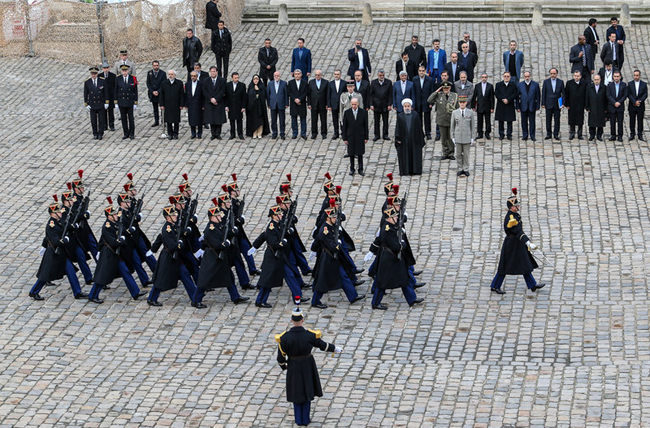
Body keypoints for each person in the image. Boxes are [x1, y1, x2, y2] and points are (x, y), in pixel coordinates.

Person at [276, 306, 342, 426]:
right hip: (307, 364)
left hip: (293, 365)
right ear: (302, 320)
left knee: (296, 391)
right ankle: (305, 419)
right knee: (307, 390)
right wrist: (335, 348)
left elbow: (280, 359)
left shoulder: (284, 338)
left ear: (291, 320)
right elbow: (322, 345)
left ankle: (298, 420)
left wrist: (285, 367)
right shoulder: (309, 335)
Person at [87, 197, 146, 304]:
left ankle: (135, 292)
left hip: (116, 254)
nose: (116, 216)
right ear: (109, 216)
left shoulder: (116, 223)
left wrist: (129, 231)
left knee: (125, 271)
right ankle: (93, 295)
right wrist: (122, 240)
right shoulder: (107, 227)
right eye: (113, 215)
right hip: (109, 254)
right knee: (102, 276)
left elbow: (122, 231)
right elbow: (113, 242)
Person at [29, 197, 88, 301]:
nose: (60, 213)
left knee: (71, 271)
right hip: (53, 254)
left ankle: (77, 292)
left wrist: (74, 226)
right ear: (52, 214)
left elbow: (68, 226)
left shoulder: (59, 220)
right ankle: (34, 291)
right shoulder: (50, 226)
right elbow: (56, 241)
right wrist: (64, 240)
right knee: (45, 275)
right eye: (58, 212)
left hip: (62, 254)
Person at [366, 204, 423, 310]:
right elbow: (395, 246)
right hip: (389, 258)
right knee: (382, 282)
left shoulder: (392, 226)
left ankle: (411, 299)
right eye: (395, 216)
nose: (397, 217)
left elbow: (379, 240)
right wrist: (402, 243)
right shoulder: (387, 230)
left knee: (404, 278)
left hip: (394, 258)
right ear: (389, 218)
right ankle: (375, 303)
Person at [490, 188, 546, 295]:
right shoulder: (511, 218)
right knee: (504, 267)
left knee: (524, 264)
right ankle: (495, 286)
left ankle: (532, 285)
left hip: (517, 244)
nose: (518, 207)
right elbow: (518, 231)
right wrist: (528, 242)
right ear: (511, 207)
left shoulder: (515, 215)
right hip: (511, 245)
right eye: (516, 206)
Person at [310, 201, 365, 308]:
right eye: (333, 217)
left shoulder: (332, 226)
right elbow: (331, 246)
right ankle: (315, 301)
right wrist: (338, 244)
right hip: (328, 258)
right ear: (327, 218)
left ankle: (352, 296)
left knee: (343, 275)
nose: (335, 219)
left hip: (334, 257)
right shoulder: (324, 230)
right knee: (322, 280)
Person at [147, 201, 202, 307]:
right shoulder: (166, 229)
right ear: (168, 218)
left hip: (176, 257)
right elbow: (171, 245)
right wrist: (179, 244)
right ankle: (151, 298)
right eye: (173, 215)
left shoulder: (173, 225)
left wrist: (185, 232)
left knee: (185, 275)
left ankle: (195, 298)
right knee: (160, 279)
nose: (176, 216)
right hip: (168, 257)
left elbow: (179, 232)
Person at [251, 202, 306, 308]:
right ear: (273, 216)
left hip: (281, 256)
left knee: (290, 275)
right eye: (279, 214)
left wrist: (288, 233)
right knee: (268, 280)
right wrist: (282, 243)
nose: (281, 215)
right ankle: (260, 300)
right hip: (273, 256)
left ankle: (297, 296)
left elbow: (282, 233)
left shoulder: (280, 224)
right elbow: (274, 243)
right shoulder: (271, 227)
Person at [194, 204, 250, 306]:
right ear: (212, 217)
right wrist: (226, 244)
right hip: (212, 257)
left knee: (229, 277)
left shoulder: (218, 225)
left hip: (220, 258)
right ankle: (196, 300)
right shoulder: (210, 229)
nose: (220, 217)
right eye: (218, 216)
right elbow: (217, 244)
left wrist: (232, 231)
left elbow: (224, 232)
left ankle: (235, 297)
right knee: (205, 280)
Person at [394, 98, 425, 175]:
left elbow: (419, 127)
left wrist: (421, 138)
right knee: (405, 155)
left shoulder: (415, 115)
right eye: (405, 106)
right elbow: (397, 128)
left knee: (415, 155)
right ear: (403, 107)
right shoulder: (400, 116)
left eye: (408, 106)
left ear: (411, 106)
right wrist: (398, 139)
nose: (407, 108)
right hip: (405, 140)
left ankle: (415, 170)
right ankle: (405, 170)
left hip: (414, 139)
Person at [428, 81, 458, 159]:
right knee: (444, 138)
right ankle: (445, 152)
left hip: (451, 120)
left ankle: (451, 153)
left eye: (447, 88)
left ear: (450, 88)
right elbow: (429, 100)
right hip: (441, 120)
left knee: (451, 138)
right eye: (444, 88)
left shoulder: (454, 96)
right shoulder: (438, 95)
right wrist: (436, 91)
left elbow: (457, 107)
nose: (446, 89)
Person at [342, 98, 369, 176]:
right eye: (352, 104)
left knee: (360, 153)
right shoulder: (347, 113)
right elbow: (344, 126)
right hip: (350, 136)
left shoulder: (363, 112)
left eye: (355, 104)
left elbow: (365, 126)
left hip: (360, 135)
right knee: (351, 153)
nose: (354, 106)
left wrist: (366, 137)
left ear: (358, 104)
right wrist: (345, 138)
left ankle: (360, 169)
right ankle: (352, 169)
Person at [450, 96, 474, 177]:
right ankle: (460, 168)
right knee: (458, 154)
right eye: (461, 103)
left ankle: (466, 168)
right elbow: (452, 125)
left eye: (463, 102)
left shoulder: (470, 113)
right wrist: (452, 136)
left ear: (466, 103)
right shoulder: (455, 113)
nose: (462, 104)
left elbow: (472, 126)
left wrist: (472, 137)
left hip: (467, 136)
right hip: (458, 136)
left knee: (466, 154)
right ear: (459, 103)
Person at [159, 69, 185, 140]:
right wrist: (161, 104)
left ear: (175, 75)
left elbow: (181, 95)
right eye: (169, 74)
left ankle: (176, 133)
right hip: (167, 104)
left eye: (172, 74)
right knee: (168, 120)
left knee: (176, 120)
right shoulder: (164, 83)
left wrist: (181, 104)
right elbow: (161, 94)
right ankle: (170, 133)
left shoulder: (179, 83)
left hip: (176, 104)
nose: (170, 76)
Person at [83, 66, 108, 140]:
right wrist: (86, 103)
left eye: (95, 74)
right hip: (92, 103)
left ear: (97, 74)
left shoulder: (102, 81)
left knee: (101, 119)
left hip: (100, 103)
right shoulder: (87, 82)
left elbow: (106, 92)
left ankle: (100, 133)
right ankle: (95, 133)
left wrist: (106, 102)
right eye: (92, 74)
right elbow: (85, 93)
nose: (93, 75)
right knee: (93, 120)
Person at [203, 65, 227, 140]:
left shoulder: (222, 80)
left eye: (214, 71)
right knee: (211, 119)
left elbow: (222, 91)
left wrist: (216, 99)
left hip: (219, 102)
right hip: (210, 102)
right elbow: (205, 91)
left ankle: (218, 133)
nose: (212, 73)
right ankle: (213, 134)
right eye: (211, 71)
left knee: (218, 119)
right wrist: (211, 99)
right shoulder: (206, 80)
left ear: (216, 72)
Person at [516, 71, 541, 141]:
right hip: (523, 106)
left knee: (532, 121)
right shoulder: (520, 85)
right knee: (524, 122)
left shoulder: (535, 84)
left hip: (532, 105)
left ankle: (532, 135)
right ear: (524, 77)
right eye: (525, 76)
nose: (527, 78)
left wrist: (537, 106)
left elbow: (538, 96)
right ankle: (525, 135)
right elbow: (517, 97)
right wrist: (517, 107)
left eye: (528, 76)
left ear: (530, 76)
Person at [115, 64, 138, 140]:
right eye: (123, 71)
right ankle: (126, 133)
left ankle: (132, 133)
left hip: (130, 101)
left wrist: (135, 102)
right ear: (121, 71)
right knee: (124, 119)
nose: (124, 72)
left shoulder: (133, 78)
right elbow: (115, 90)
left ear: (128, 71)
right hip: (121, 101)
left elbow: (135, 91)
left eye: (126, 71)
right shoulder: (118, 79)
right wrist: (116, 103)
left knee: (131, 119)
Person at [369, 69, 393, 141]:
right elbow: (371, 94)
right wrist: (371, 104)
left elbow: (390, 94)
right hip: (376, 105)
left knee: (385, 121)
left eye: (383, 75)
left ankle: (385, 134)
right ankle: (377, 135)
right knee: (376, 121)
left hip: (385, 104)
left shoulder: (388, 82)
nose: (381, 77)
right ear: (378, 75)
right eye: (380, 75)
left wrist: (389, 104)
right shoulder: (373, 83)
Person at [412, 65, 435, 140]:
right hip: (418, 102)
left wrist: (431, 103)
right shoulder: (414, 79)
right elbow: (413, 92)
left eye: (423, 71)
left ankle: (428, 133)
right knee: (418, 119)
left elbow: (432, 92)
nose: (421, 72)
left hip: (426, 102)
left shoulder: (430, 79)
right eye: (420, 71)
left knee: (427, 119)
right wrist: (413, 103)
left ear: (425, 71)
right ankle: (419, 133)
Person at [541, 68, 564, 140]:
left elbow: (563, 93)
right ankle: (549, 133)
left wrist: (562, 103)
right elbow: (544, 93)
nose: (553, 75)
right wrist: (543, 103)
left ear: (556, 74)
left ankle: (556, 134)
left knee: (557, 120)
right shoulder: (546, 82)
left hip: (557, 104)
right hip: (548, 103)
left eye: (554, 74)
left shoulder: (561, 82)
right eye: (551, 74)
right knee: (548, 120)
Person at [564, 70, 587, 140]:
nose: (576, 77)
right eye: (575, 76)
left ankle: (580, 133)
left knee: (580, 119)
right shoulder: (569, 83)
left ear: (580, 76)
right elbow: (566, 94)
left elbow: (586, 94)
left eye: (578, 76)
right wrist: (566, 104)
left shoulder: (584, 83)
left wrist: (586, 105)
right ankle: (572, 132)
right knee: (572, 119)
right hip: (572, 104)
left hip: (580, 104)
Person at [494, 71, 517, 140]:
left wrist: (508, 99)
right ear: (503, 77)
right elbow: (496, 93)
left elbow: (515, 94)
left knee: (509, 120)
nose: (506, 78)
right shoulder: (498, 85)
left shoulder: (513, 85)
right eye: (505, 76)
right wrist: (502, 99)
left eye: (508, 76)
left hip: (509, 104)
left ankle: (509, 134)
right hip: (501, 104)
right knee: (501, 120)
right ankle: (501, 134)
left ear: (510, 77)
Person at [585, 74, 608, 141]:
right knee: (592, 122)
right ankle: (592, 135)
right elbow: (587, 97)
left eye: (597, 80)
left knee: (600, 122)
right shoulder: (589, 87)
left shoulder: (604, 87)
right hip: (592, 107)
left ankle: (599, 135)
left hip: (601, 107)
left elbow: (606, 99)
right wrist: (587, 107)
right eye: (595, 80)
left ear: (600, 80)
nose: (596, 81)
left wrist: (606, 108)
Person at [225, 72, 247, 140]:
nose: (237, 79)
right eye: (235, 78)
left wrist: (243, 106)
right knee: (231, 120)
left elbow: (244, 97)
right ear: (232, 78)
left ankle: (240, 134)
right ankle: (232, 134)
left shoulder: (242, 85)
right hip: (231, 105)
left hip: (239, 105)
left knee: (239, 120)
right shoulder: (228, 85)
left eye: (237, 77)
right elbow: (226, 96)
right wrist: (226, 106)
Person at [267, 71, 289, 140]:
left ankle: (282, 133)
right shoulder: (270, 83)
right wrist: (268, 104)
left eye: (277, 75)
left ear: (280, 76)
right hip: (273, 104)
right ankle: (274, 133)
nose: (276, 77)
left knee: (282, 120)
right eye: (275, 76)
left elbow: (286, 94)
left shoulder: (284, 83)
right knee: (273, 120)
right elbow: (268, 94)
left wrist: (287, 103)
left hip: (281, 104)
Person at [607, 70, 627, 141]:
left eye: (617, 76)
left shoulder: (624, 85)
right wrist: (614, 102)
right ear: (613, 77)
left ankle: (620, 135)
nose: (616, 78)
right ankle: (613, 135)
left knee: (620, 122)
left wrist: (619, 102)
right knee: (612, 122)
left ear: (620, 77)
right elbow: (608, 95)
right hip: (612, 106)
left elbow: (625, 95)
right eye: (615, 76)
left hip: (620, 106)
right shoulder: (610, 85)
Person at [308, 70, 329, 139]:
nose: (317, 76)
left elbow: (327, 94)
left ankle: (324, 133)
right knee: (314, 119)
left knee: (323, 119)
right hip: (314, 104)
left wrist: (327, 104)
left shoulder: (325, 82)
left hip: (323, 104)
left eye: (318, 75)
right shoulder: (311, 82)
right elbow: (309, 94)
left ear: (321, 75)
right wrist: (309, 103)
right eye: (316, 75)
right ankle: (314, 133)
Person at [288, 69, 309, 139]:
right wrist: (295, 99)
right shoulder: (290, 83)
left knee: (303, 119)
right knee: (294, 119)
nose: (297, 75)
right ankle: (294, 133)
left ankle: (303, 133)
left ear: (301, 75)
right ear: (294, 75)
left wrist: (300, 99)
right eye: (295, 74)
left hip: (301, 103)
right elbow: (289, 92)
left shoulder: (305, 83)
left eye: (298, 74)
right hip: (293, 103)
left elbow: (306, 92)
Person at [473, 73, 494, 140]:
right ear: (481, 78)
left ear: (487, 78)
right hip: (480, 106)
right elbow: (474, 96)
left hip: (487, 106)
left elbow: (492, 98)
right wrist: (473, 106)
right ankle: (480, 133)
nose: (484, 78)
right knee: (479, 120)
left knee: (488, 120)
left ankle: (487, 133)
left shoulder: (490, 86)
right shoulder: (477, 86)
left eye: (485, 77)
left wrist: (492, 107)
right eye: (483, 77)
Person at [628, 69, 647, 141]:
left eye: (637, 75)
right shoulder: (630, 84)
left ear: (639, 76)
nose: (636, 77)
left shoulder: (643, 84)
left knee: (640, 120)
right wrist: (634, 101)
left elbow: (645, 94)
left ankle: (640, 134)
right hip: (632, 105)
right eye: (634, 75)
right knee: (632, 120)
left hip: (640, 105)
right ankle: (632, 133)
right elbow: (629, 94)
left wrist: (640, 101)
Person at [185, 70, 205, 139]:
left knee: (199, 119)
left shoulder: (201, 84)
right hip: (191, 104)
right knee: (191, 119)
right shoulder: (187, 84)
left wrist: (203, 105)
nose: (193, 77)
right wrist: (186, 104)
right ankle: (193, 133)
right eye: (192, 76)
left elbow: (203, 95)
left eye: (194, 76)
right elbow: (186, 95)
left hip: (199, 104)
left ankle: (199, 133)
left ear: (197, 76)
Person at [146, 60, 165, 127]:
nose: (156, 67)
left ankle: (163, 121)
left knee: (162, 107)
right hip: (153, 93)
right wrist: (152, 91)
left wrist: (158, 91)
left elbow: (163, 83)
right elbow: (148, 83)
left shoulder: (163, 73)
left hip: (160, 93)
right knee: (155, 108)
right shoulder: (150, 73)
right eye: (154, 65)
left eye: (157, 65)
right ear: (152, 66)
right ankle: (156, 121)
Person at [327, 70, 345, 140]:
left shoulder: (344, 83)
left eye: (338, 74)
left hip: (341, 104)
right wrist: (329, 105)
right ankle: (336, 132)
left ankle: (343, 132)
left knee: (342, 119)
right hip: (333, 103)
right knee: (335, 119)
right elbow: (328, 95)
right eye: (335, 74)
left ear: (340, 75)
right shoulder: (330, 83)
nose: (336, 75)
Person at [100, 62, 116, 132]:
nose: (106, 70)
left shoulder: (113, 76)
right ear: (102, 69)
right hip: (103, 97)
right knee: (103, 112)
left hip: (111, 96)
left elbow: (115, 87)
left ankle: (111, 124)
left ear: (109, 68)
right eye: (104, 68)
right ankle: (104, 125)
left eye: (107, 68)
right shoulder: (100, 76)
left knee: (111, 112)